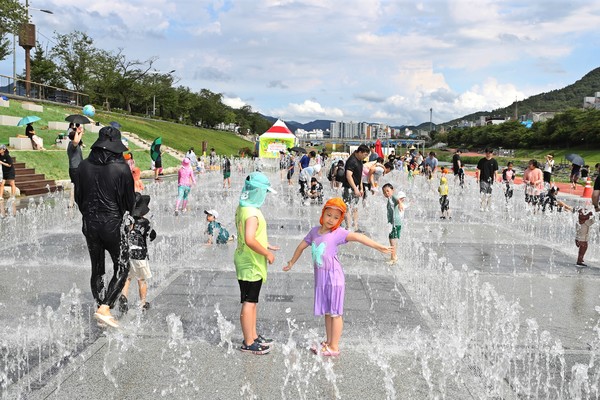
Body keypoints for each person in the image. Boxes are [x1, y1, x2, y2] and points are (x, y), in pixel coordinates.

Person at [282, 198, 392, 356]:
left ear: (340, 219)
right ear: (323, 213)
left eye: (335, 217)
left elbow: (359, 237)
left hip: (334, 278)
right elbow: (301, 246)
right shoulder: (314, 231)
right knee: (328, 311)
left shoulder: (338, 233)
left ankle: (334, 347)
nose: (331, 220)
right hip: (321, 278)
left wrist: (378, 246)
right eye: (329, 215)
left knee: (335, 312)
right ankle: (328, 342)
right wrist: (292, 262)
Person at [75, 126, 136, 328]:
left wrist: (89, 215)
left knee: (97, 268)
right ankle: (105, 307)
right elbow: (129, 203)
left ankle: (102, 306)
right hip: (112, 223)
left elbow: (78, 197)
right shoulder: (121, 168)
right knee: (123, 266)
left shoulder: (83, 166)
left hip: (90, 224)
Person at [234, 172, 278, 355]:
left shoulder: (243, 207)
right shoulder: (252, 213)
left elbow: (249, 236)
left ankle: (253, 334)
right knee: (248, 302)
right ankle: (248, 341)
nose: (265, 196)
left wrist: (265, 243)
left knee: (252, 301)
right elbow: (250, 239)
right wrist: (266, 253)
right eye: (264, 192)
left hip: (246, 259)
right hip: (250, 263)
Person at [119, 193, 156, 313]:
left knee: (127, 278)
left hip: (127, 253)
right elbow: (152, 236)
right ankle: (143, 303)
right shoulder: (145, 222)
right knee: (141, 279)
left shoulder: (125, 221)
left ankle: (123, 297)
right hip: (140, 255)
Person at [342, 145, 370, 231]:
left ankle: (355, 226)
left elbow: (359, 176)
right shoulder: (352, 161)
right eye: (365, 154)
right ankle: (348, 227)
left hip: (356, 187)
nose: (365, 157)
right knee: (347, 207)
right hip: (349, 188)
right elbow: (348, 176)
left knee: (355, 207)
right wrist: (355, 188)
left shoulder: (360, 161)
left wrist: (361, 188)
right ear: (360, 152)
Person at [381, 184, 405, 263]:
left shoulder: (393, 197)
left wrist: (400, 204)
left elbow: (398, 200)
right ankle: (394, 256)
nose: (386, 193)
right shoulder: (389, 199)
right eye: (384, 192)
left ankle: (393, 258)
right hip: (394, 223)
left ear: (392, 190)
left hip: (395, 223)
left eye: (388, 191)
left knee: (392, 241)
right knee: (393, 240)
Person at [67, 124, 84, 208]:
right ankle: (75, 202)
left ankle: (72, 202)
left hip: (75, 168)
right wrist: (77, 132)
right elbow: (76, 141)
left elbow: (78, 140)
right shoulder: (72, 145)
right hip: (75, 169)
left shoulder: (73, 145)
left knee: (75, 185)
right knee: (76, 185)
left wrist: (81, 132)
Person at [0, 144, 17, 217]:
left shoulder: (7, 156)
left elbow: (10, 165)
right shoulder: (0, 155)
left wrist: (2, 162)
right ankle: (0, 197)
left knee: (11, 183)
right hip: (4, 172)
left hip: (10, 171)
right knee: (1, 184)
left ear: (3, 149)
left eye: (0, 149)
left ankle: (13, 196)